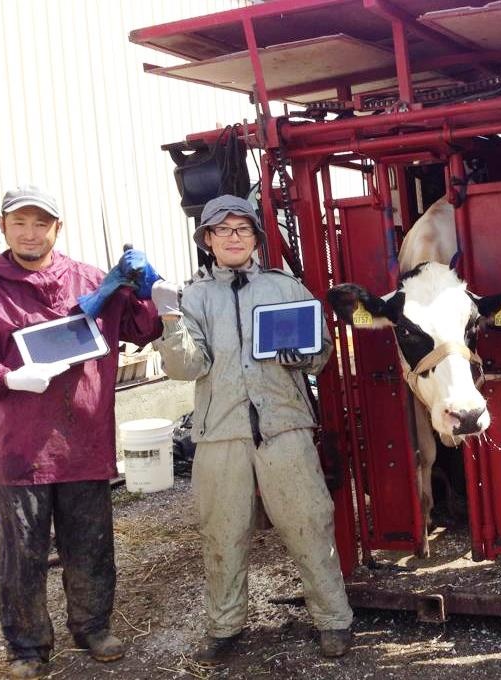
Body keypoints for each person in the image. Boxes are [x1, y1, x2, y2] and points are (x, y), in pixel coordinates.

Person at [151, 194, 353, 665]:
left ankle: (335, 620)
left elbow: (320, 353)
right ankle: (225, 628)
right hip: (220, 432)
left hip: (284, 426)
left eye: (243, 229)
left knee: (309, 524)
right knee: (221, 532)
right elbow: (188, 368)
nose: (234, 237)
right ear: (208, 241)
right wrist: (169, 325)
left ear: (257, 238)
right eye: (223, 230)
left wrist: (300, 354)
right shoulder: (194, 296)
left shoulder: (286, 286)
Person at [0, 185, 162, 679]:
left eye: (41, 223)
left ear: (59, 228)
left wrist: (142, 290)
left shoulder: (90, 279)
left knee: (91, 543)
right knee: (21, 557)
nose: (30, 232)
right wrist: (5, 378)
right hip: (21, 447)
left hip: (85, 439)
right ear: (2, 226)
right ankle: (27, 646)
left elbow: (144, 330)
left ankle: (92, 626)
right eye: (20, 223)